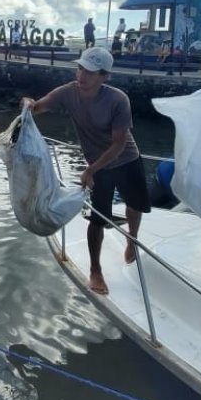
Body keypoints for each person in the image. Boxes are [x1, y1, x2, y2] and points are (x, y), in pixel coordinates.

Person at [21, 47, 150, 294]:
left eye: (90, 72)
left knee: (135, 205)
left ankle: (132, 240)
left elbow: (119, 143)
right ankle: (95, 270)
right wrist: (28, 103)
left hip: (126, 159)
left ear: (104, 76)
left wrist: (90, 169)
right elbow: (38, 107)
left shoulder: (118, 99)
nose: (82, 75)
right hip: (97, 166)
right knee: (98, 219)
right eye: (80, 68)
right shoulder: (68, 92)